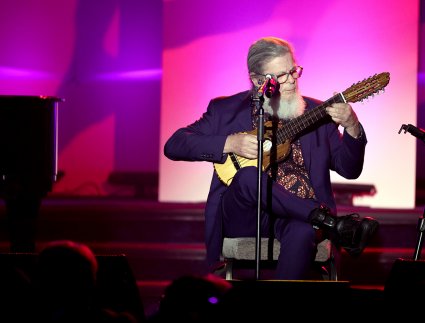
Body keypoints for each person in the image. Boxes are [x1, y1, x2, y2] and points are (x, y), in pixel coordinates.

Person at [163, 36, 379, 280]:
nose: (291, 82)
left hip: (297, 217)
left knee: (303, 231)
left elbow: (349, 169)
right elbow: (175, 144)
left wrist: (352, 126)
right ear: (258, 81)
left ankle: (277, 304)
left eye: (293, 71)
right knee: (246, 175)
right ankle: (330, 222)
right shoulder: (225, 111)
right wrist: (230, 143)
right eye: (281, 76)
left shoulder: (318, 114)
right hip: (245, 214)